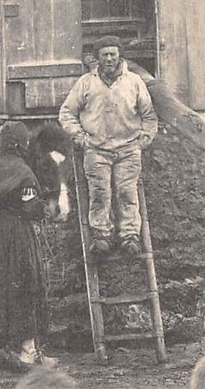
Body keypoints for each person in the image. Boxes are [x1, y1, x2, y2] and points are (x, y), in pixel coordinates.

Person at [59, 35, 158, 259]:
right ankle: (102, 236)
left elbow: (149, 115)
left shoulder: (134, 82)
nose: (109, 59)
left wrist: (145, 139)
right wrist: (79, 136)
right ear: (98, 58)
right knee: (100, 193)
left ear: (119, 56)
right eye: (105, 55)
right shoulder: (86, 82)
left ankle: (129, 236)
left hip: (128, 149)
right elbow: (67, 112)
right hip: (96, 149)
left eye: (113, 54)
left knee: (126, 192)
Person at [0, 121, 57, 371]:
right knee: (26, 286)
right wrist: (44, 211)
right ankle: (28, 351)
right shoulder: (23, 171)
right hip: (18, 236)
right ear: (21, 145)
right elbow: (30, 208)